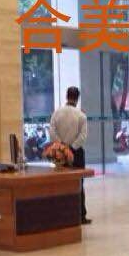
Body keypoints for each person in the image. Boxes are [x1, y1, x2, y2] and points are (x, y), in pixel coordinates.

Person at [50, 87, 91, 224]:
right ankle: (80, 216)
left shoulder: (56, 113)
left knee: (62, 183)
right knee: (78, 183)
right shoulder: (81, 115)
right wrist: (71, 148)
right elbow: (83, 136)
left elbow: (52, 132)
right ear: (77, 98)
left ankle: (62, 215)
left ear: (66, 96)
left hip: (59, 153)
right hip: (76, 153)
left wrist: (62, 146)